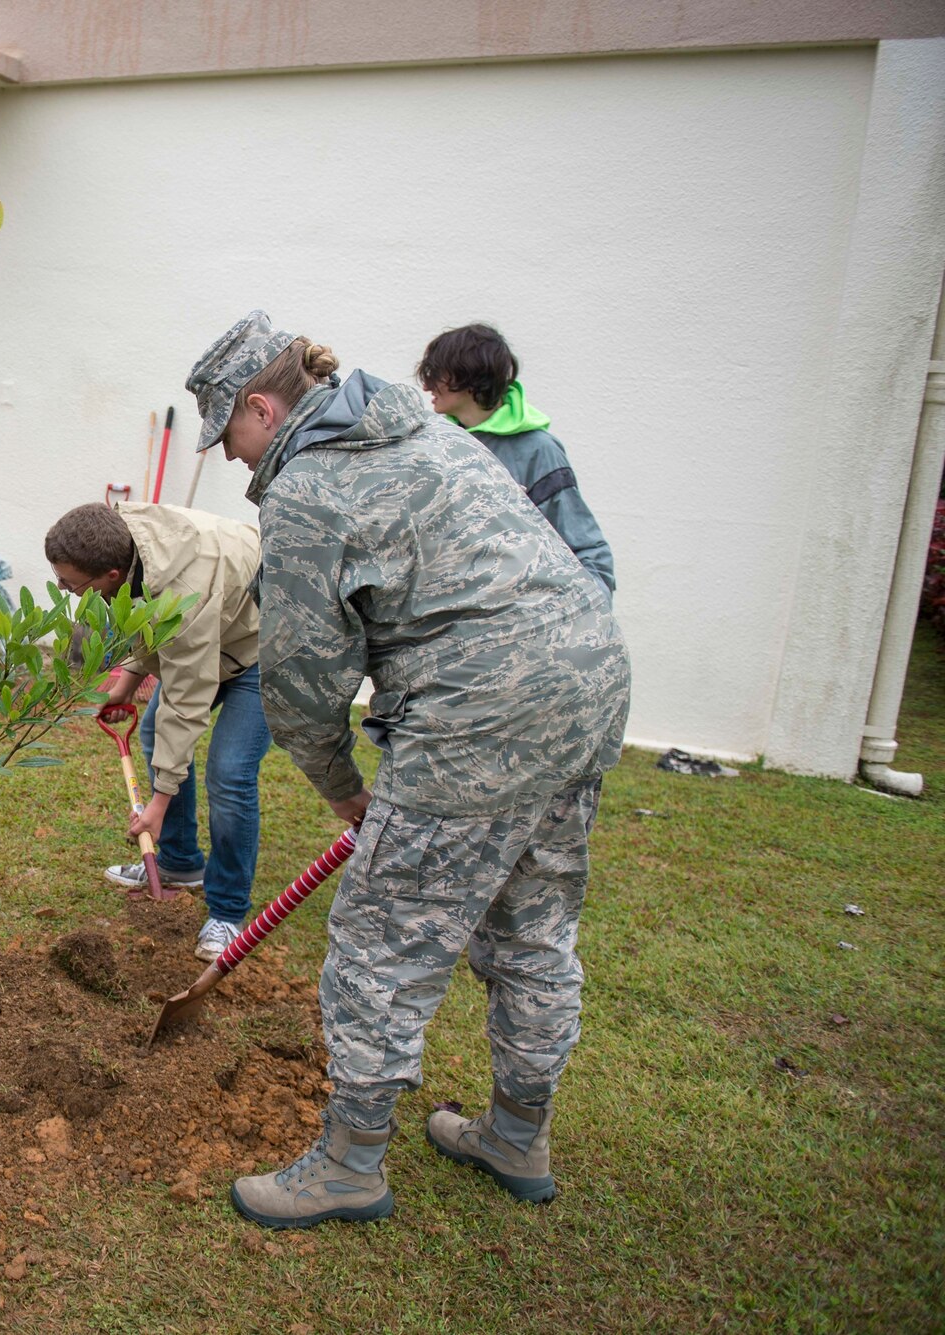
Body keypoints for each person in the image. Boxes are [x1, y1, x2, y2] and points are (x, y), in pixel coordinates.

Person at [186, 311, 630, 1230]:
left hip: (483, 714)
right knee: (534, 925)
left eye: (226, 435)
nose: (229, 460)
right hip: (588, 680)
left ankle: (349, 1165)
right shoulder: (420, 423)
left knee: (380, 944)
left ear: (262, 409)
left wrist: (347, 790)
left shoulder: (307, 488)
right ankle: (516, 1135)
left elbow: (304, 685)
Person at [44, 501, 268, 961]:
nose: (64, 590)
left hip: (265, 646)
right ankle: (180, 863)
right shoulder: (127, 548)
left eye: (70, 583)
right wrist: (126, 682)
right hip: (216, 629)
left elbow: (187, 700)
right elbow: (146, 624)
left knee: (229, 772)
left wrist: (160, 803)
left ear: (109, 573)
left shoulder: (187, 588)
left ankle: (227, 911)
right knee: (151, 735)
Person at [416, 323, 615, 596]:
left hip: (523, 620)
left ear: (469, 376)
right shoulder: (438, 445)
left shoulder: (537, 449)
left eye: (437, 375)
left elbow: (584, 547)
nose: (427, 386)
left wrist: (593, 611)